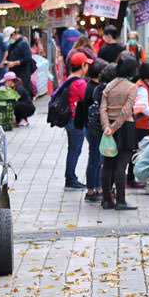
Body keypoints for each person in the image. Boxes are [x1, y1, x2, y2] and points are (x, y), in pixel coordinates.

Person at [99, 55, 140, 210]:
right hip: (125, 128)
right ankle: (121, 201)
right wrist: (115, 126)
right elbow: (126, 111)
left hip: (109, 128)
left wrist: (107, 126)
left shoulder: (108, 86)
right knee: (121, 165)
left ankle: (107, 199)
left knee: (107, 163)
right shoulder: (131, 87)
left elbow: (102, 108)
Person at [75, 58, 109, 203]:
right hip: (94, 128)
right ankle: (93, 189)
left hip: (89, 128)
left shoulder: (90, 85)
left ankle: (95, 187)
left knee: (95, 158)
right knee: (96, 159)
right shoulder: (95, 88)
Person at [61, 51, 90, 190]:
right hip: (75, 120)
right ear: (82, 66)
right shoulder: (79, 83)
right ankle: (71, 180)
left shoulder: (68, 79)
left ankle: (70, 178)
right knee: (75, 150)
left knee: (72, 149)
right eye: (87, 65)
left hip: (69, 119)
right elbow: (87, 99)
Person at [129, 60, 149, 188]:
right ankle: (131, 178)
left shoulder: (145, 85)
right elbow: (144, 107)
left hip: (144, 123)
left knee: (137, 150)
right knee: (137, 152)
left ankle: (133, 177)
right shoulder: (142, 87)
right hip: (140, 124)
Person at [3, 27, 36, 98]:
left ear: (14, 35)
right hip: (14, 73)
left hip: (23, 73)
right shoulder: (12, 44)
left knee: (24, 92)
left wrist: (14, 63)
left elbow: (28, 58)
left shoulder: (23, 43)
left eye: (9, 39)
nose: (9, 41)